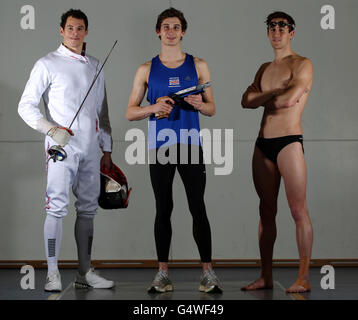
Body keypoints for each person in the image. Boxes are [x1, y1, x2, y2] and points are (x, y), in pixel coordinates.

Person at [126, 7, 222, 293]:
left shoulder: (199, 65)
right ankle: (162, 274)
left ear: (183, 31)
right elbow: (130, 112)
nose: (170, 31)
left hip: (191, 145)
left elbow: (212, 109)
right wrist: (153, 108)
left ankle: (208, 273)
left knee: (197, 207)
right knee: (162, 209)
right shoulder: (146, 68)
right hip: (160, 148)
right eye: (165, 26)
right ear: (158, 31)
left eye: (176, 27)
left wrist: (198, 104)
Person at [18, 9, 115, 292]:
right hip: (61, 148)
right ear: (61, 31)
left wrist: (106, 149)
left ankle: (85, 271)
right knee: (57, 208)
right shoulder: (47, 63)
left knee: (88, 209)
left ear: (86, 31)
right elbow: (25, 106)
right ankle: (52, 273)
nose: (75, 33)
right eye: (70, 28)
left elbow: (102, 111)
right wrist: (50, 129)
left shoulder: (96, 65)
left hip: (90, 149)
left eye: (80, 28)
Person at [241, 11, 314, 293]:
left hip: (288, 142)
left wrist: (265, 95)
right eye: (272, 27)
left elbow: (287, 101)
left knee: (298, 210)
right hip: (263, 144)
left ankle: (304, 277)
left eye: (282, 27)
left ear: (292, 32)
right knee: (266, 211)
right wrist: (270, 94)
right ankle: (266, 276)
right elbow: (245, 101)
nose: (277, 31)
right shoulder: (264, 68)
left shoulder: (303, 64)